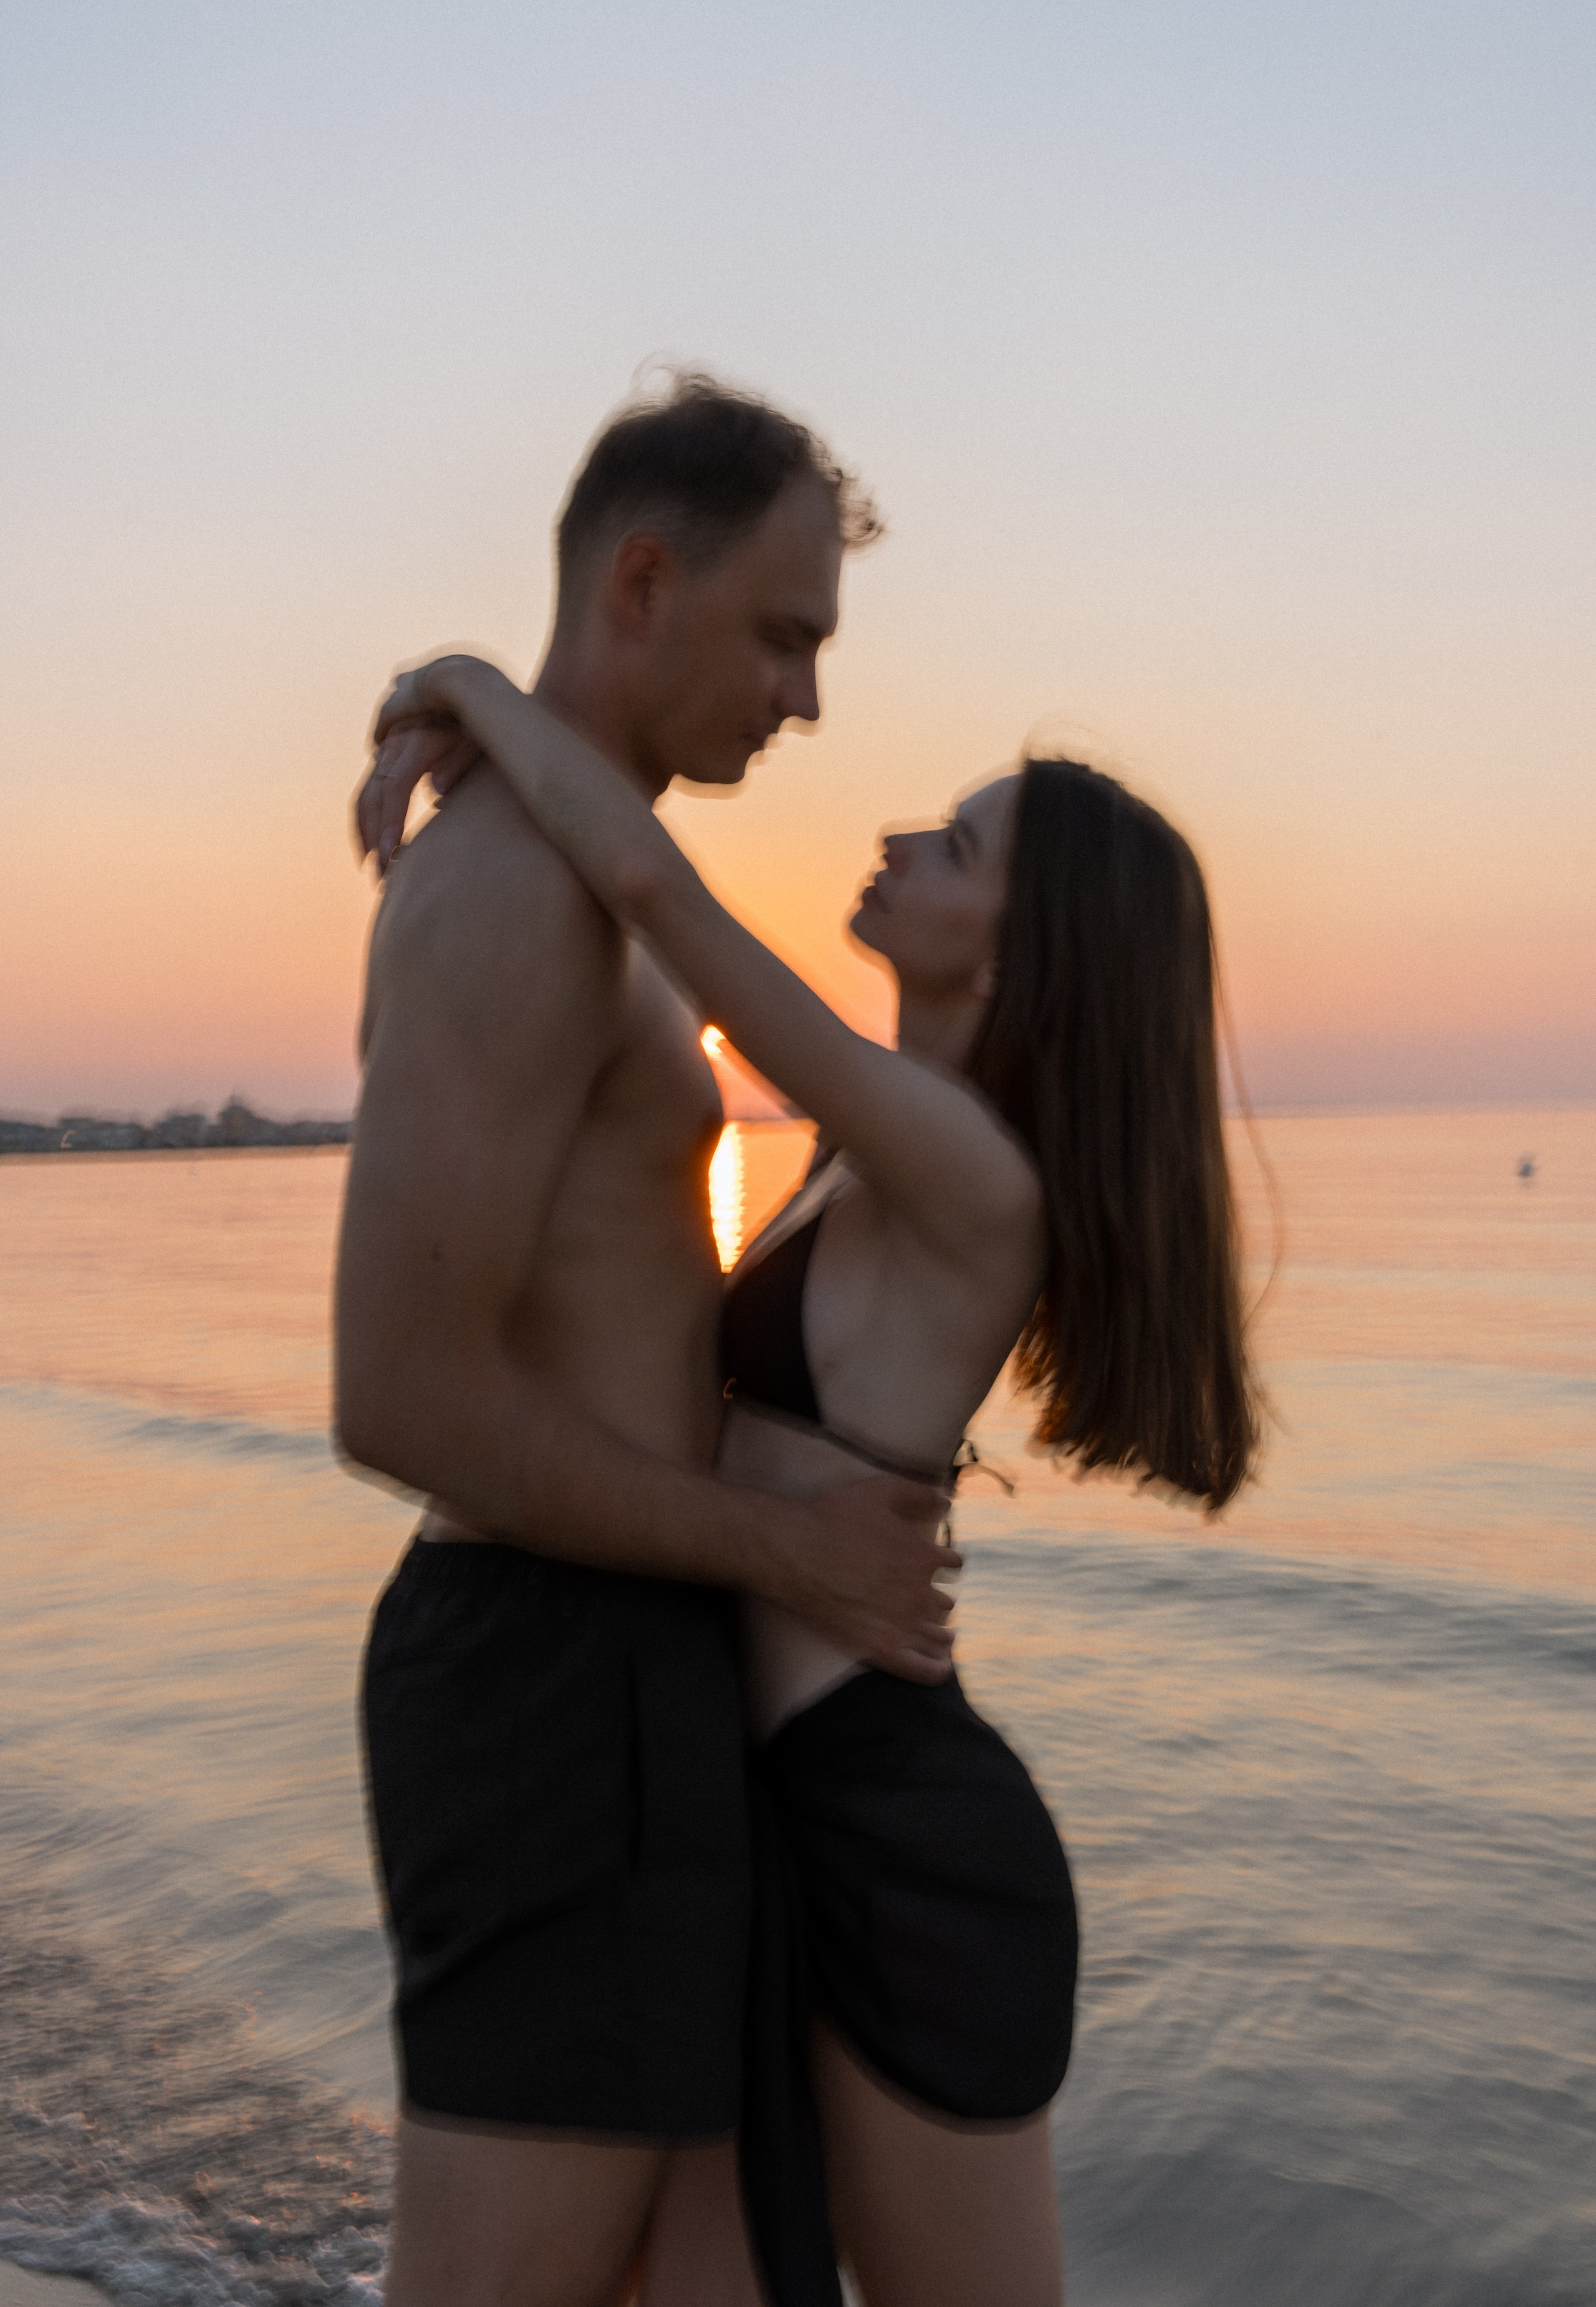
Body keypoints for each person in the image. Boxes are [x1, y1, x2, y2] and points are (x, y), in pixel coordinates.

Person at [357, 649, 1261, 2307]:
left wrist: (475, 693)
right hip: (752, 1811)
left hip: (900, 1842)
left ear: (1022, 956)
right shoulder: (877, 1139)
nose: (907, 842)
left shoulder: (972, 1176)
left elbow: (653, 890)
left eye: (963, 852)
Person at [336, 377, 961, 2307]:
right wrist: (785, 1548)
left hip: (618, 1675)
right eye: (784, 636)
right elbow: (402, 1394)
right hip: (551, 1681)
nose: (807, 700)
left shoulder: (575, 873)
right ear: (639, 582)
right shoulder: (517, 897)